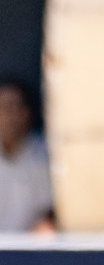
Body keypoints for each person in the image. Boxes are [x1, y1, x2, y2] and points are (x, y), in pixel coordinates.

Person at [0, 78, 54, 233]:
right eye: (4, 108)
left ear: (27, 112)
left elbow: (49, 217)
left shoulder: (44, 156)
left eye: (16, 107)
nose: (10, 116)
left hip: (29, 252)